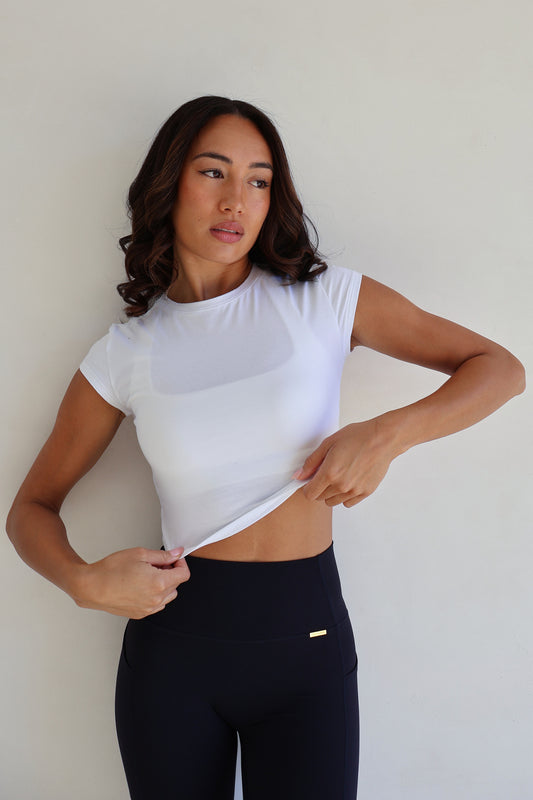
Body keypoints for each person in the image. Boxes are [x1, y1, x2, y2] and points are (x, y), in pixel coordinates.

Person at [6, 95, 525, 800]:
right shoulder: (126, 352)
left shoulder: (323, 299)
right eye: (213, 172)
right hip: (174, 650)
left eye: (259, 180)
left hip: (306, 641)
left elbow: (498, 368)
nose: (237, 200)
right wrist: (81, 581)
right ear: (168, 184)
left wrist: (384, 434)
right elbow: (31, 508)